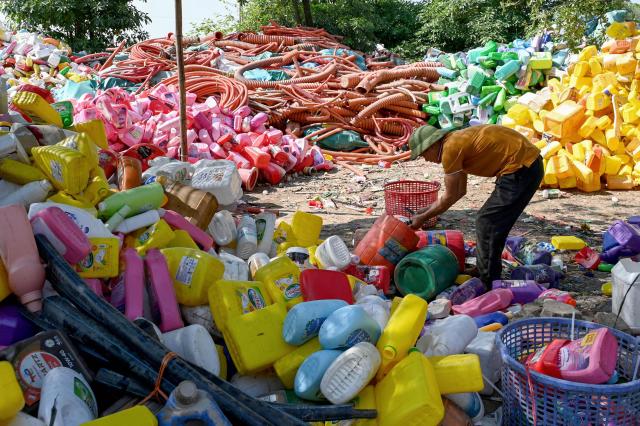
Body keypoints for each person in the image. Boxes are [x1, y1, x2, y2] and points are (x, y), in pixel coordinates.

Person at [408, 124, 543, 288]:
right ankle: (485, 270)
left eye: (423, 154)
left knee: (487, 222)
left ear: (432, 145)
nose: (426, 159)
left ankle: (487, 281)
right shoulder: (455, 141)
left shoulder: (450, 149)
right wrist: (425, 211)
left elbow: (450, 195)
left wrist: (422, 218)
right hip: (524, 164)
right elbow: (460, 192)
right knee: (494, 223)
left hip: (521, 168)